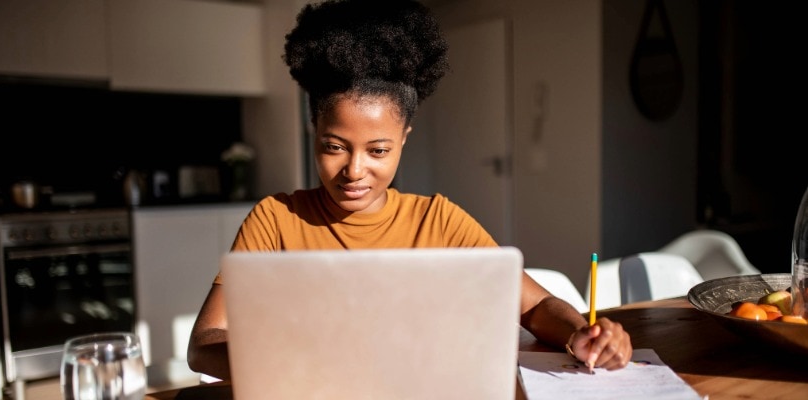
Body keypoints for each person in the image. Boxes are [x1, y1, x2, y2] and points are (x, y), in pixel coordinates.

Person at [187, 0, 632, 380]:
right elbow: (204, 342)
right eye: (334, 147)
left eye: (378, 150)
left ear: (404, 139)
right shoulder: (275, 220)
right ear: (314, 130)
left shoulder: (439, 221)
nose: (354, 170)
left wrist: (581, 334)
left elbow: (535, 307)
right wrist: (295, 362)